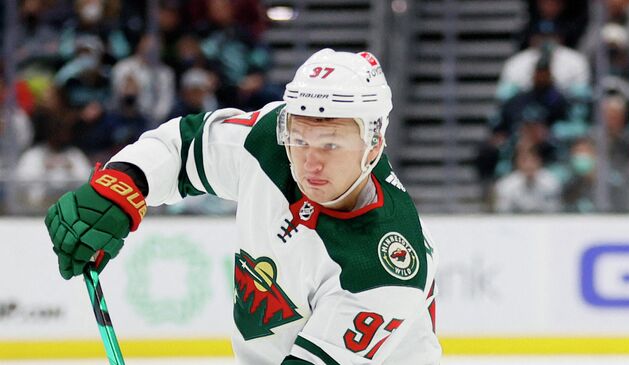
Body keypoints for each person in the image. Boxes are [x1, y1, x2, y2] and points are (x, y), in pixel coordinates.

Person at [43, 49, 441, 364]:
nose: (311, 162)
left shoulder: (385, 268)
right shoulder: (269, 143)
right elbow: (181, 148)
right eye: (300, 138)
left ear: (373, 144)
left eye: (331, 144)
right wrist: (123, 183)